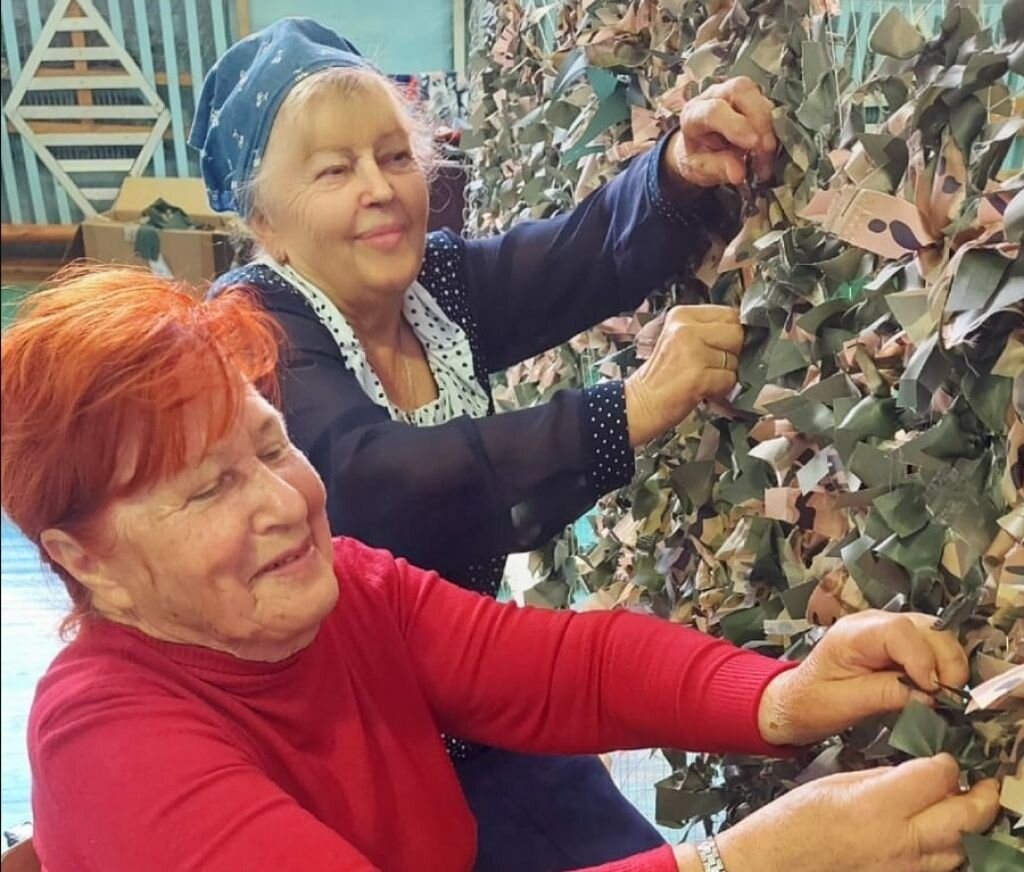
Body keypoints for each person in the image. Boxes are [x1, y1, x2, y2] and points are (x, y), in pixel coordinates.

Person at [0, 267, 999, 872]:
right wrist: (743, 858)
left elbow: (562, 667)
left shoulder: (340, 586)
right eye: (208, 489)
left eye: (268, 447)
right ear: (89, 562)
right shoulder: (107, 743)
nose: (280, 501)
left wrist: (777, 694)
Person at [189, 19, 766, 862]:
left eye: (393, 157)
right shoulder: (252, 331)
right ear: (266, 220)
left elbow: (580, 255)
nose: (381, 189)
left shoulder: (433, 287)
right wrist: (627, 410)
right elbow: (373, 484)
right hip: (359, 748)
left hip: (483, 711)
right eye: (334, 170)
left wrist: (679, 168)